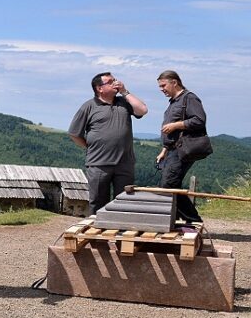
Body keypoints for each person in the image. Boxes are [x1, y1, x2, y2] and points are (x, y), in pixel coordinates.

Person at [68, 72, 149, 214]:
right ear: (99, 88)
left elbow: (142, 110)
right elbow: (74, 133)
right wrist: (89, 147)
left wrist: (124, 91)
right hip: (99, 163)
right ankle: (97, 234)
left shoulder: (123, 102)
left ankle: (120, 233)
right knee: (98, 202)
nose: (115, 83)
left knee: (125, 202)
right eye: (110, 82)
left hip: (125, 163)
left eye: (115, 80)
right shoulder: (89, 106)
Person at [155, 70, 208, 223]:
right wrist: (164, 150)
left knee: (168, 185)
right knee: (172, 184)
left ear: (174, 82)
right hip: (172, 149)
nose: (162, 89)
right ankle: (179, 220)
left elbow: (199, 120)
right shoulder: (174, 101)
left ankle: (194, 220)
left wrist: (176, 125)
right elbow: (172, 133)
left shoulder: (189, 98)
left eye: (163, 85)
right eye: (160, 86)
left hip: (183, 150)